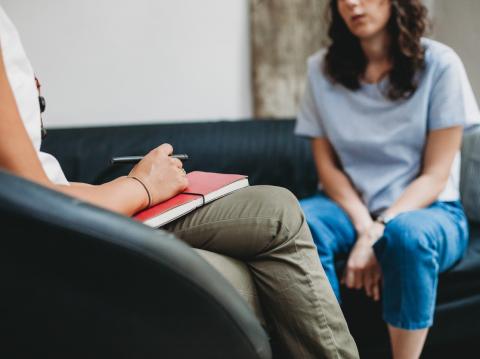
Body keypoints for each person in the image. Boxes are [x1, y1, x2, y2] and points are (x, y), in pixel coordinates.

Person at [0, 5, 359, 359]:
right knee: (244, 281)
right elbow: (34, 199)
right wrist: (140, 186)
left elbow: (38, 176)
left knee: (276, 209)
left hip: (66, 212)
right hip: (49, 242)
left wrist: (121, 188)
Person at [295, 0, 480, 358]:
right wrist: (366, 228)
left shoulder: (441, 65)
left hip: (430, 208)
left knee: (406, 236)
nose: (352, 3)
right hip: (347, 209)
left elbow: (435, 175)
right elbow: (328, 169)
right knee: (297, 223)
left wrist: (381, 227)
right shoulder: (320, 69)